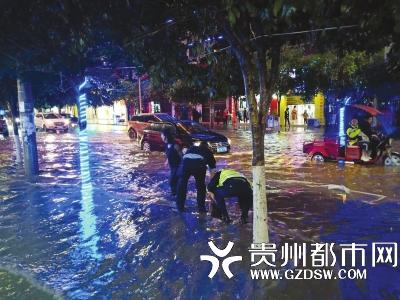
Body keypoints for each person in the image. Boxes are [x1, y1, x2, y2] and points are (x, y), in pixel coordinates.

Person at [176, 141, 216, 212]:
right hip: (198, 164)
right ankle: (201, 208)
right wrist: (212, 186)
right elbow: (212, 171)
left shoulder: (192, 147)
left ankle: (180, 206)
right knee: (200, 186)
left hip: (185, 163)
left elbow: (183, 155)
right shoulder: (208, 151)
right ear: (207, 147)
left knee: (182, 184)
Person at [161, 129, 182, 197]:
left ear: (165, 136)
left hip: (177, 166)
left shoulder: (175, 145)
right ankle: (176, 194)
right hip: (172, 167)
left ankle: (176, 195)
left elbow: (181, 156)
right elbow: (169, 155)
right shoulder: (166, 145)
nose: (161, 136)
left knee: (171, 181)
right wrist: (167, 161)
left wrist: (182, 168)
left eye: (162, 135)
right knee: (173, 182)